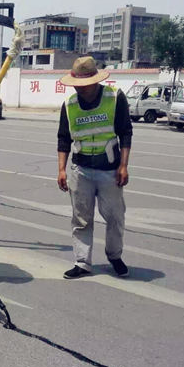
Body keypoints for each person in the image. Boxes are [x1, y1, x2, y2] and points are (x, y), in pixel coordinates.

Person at [56, 56, 133, 279]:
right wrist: (61, 169)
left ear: (94, 81)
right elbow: (63, 139)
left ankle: (115, 256)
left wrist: (124, 166)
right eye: (76, 85)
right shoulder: (69, 105)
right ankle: (82, 262)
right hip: (81, 171)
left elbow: (125, 132)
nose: (80, 90)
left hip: (110, 170)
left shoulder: (114, 98)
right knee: (81, 219)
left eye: (84, 85)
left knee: (115, 217)